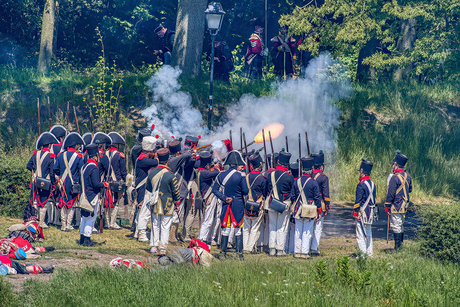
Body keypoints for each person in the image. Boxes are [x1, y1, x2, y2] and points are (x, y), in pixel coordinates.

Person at [211, 150, 248, 259]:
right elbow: (245, 191)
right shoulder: (241, 176)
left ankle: (223, 253)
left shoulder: (221, 175)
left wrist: (223, 197)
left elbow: (215, 190)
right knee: (237, 229)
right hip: (238, 204)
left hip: (226, 204)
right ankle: (239, 254)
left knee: (225, 229)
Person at [145, 148, 181, 255]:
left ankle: (154, 247)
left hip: (155, 203)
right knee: (165, 226)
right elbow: (176, 192)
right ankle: (163, 248)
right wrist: (177, 203)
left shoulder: (151, 173)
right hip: (168, 204)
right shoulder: (171, 175)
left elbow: (149, 188)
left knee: (155, 224)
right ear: (168, 160)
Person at [291, 157, 322, 259]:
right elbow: (317, 198)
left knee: (298, 230)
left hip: (298, 209)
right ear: (311, 169)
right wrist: (319, 211)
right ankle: (304, 252)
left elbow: (293, 197)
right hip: (310, 209)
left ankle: (297, 251)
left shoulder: (297, 181)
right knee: (307, 231)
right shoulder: (313, 182)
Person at [26, 132, 59, 229]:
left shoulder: (35, 154)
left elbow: (28, 166)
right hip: (46, 182)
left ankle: (34, 220)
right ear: (49, 145)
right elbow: (52, 172)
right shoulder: (51, 156)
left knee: (36, 201)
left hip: (36, 181)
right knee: (43, 202)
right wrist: (54, 184)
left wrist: (33, 172)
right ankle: (41, 222)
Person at [78, 144, 109, 247]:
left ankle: (82, 238)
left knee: (84, 217)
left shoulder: (85, 166)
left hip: (84, 194)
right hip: (91, 196)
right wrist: (104, 184)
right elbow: (96, 184)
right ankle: (87, 239)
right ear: (95, 155)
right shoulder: (94, 168)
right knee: (91, 218)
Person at [54, 132, 84, 232]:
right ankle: (69, 224)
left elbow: (56, 169)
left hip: (62, 182)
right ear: (75, 146)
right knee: (72, 203)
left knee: (63, 202)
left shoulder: (60, 156)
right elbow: (81, 170)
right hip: (73, 183)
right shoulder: (78, 156)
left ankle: (63, 225)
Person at [267, 151, 294, 257]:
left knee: (272, 226)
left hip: (272, 203)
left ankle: (272, 249)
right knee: (282, 227)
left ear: (278, 161)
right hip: (284, 204)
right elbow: (292, 191)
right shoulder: (288, 176)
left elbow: (268, 189)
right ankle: (280, 249)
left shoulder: (271, 175)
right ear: (287, 163)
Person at [385, 151, 412, 250]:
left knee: (396, 226)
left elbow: (390, 194)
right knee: (400, 225)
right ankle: (400, 248)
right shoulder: (408, 176)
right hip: (404, 205)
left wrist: (387, 206)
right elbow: (410, 190)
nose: (392, 166)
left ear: (396, 165)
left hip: (396, 205)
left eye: (393, 164)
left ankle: (397, 249)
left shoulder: (394, 178)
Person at [133, 136, 159, 242]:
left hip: (142, 188)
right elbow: (156, 162)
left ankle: (137, 233)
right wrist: (157, 156)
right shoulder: (143, 159)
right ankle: (142, 234)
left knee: (141, 212)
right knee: (144, 211)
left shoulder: (142, 157)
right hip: (143, 188)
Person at [242, 153, 267, 253]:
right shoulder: (262, 179)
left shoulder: (246, 177)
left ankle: (244, 247)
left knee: (246, 228)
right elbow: (265, 193)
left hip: (247, 204)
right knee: (255, 228)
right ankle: (250, 247)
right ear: (260, 166)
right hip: (258, 205)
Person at [353, 159, 376, 257]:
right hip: (370, 212)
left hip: (362, 212)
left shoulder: (361, 185)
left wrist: (355, 213)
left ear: (362, 172)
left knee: (360, 235)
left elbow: (358, 201)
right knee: (368, 233)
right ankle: (369, 254)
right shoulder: (373, 184)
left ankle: (362, 255)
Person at [196, 151, 221, 245]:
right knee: (208, 221)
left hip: (209, 197)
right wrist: (216, 167)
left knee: (212, 220)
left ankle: (208, 239)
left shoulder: (202, 171)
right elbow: (216, 172)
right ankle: (201, 239)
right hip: (208, 198)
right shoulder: (204, 173)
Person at [106, 132, 128, 230]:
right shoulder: (120, 155)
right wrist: (125, 181)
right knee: (115, 203)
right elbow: (123, 171)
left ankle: (107, 222)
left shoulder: (105, 154)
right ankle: (113, 223)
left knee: (106, 202)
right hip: (116, 181)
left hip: (106, 181)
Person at [310, 151, 330, 256]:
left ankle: (306, 246)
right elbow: (326, 194)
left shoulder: (309, 175)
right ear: (321, 166)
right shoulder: (323, 177)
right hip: (320, 204)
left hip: (308, 203)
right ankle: (314, 248)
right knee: (318, 227)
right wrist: (327, 205)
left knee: (308, 226)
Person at [49, 125, 67, 226]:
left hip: (51, 175)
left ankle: (50, 219)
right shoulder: (62, 148)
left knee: (50, 198)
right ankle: (57, 219)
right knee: (58, 198)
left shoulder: (50, 147)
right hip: (61, 176)